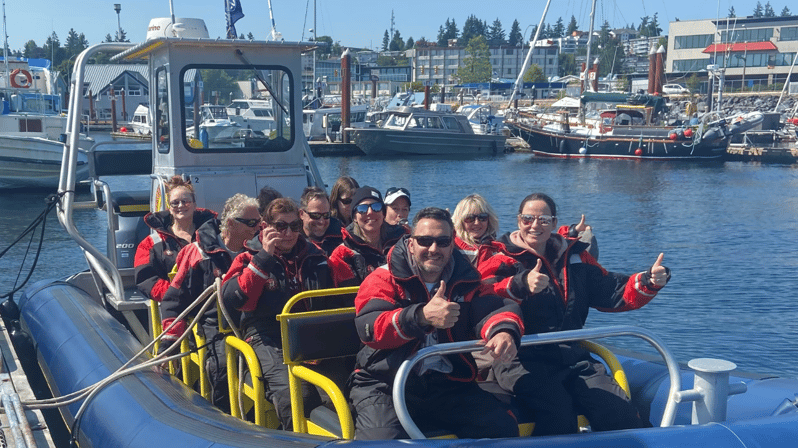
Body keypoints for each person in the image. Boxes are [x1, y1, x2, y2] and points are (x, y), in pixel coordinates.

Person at [478, 192, 670, 436]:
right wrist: (521, 284)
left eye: (543, 220)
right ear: (518, 221)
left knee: (618, 411)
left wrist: (648, 281)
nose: (535, 225)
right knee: (557, 413)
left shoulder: (575, 257)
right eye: (528, 219)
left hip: (571, 356)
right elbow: (485, 296)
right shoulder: (498, 258)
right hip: (520, 359)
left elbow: (610, 289)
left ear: (555, 224)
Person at [347, 207, 525, 440]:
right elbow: (370, 328)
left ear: (452, 245)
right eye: (425, 241)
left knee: (500, 427)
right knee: (383, 440)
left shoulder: (465, 279)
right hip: (383, 383)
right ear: (411, 243)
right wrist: (421, 316)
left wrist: (503, 332)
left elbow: (493, 307)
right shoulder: (383, 278)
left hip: (447, 382)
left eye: (442, 242)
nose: (433, 249)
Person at [221, 197, 336, 430]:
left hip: (309, 334)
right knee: (296, 396)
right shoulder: (248, 257)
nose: (288, 233)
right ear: (266, 228)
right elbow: (234, 300)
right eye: (281, 226)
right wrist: (264, 257)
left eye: (294, 226)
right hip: (266, 335)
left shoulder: (317, 257)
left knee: (334, 394)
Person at [159, 193, 261, 408]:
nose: (257, 228)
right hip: (214, 325)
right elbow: (175, 300)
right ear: (231, 223)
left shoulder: (259, 252)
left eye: (259, 222)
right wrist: (168, 345)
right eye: (251, 223)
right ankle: (224, 414)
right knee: (222, 365)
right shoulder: (197, 254)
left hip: (253, 323)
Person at [452, 193, 597, 268]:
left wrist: (571, 232)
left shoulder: (495, 245)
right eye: (470, 219)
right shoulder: (453, 248)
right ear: (460, 220)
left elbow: (541, 237)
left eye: (482, 218)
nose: (477, 223)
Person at [134, 176, 216, 303]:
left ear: (195, 205)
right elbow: (146, 280)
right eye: (175, 202)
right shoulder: (150, 244)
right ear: (169, 208)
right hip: (175, 310)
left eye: (186, 201)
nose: (181, 205)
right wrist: (177, 294)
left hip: (212, 305)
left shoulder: (213, 234)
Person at [328, 186, 408, 286]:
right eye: (362, 209)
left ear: (383, 213)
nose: (370, 212)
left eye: (376, 207)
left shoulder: (402, 242)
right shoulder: (341, 254)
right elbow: (348, 298)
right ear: (355, 217)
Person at [298, 186, 343, 256]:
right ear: (301, 214)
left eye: (326, 215)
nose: (321, 221)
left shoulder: (340, 235)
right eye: (315, 215)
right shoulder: (291, 239)